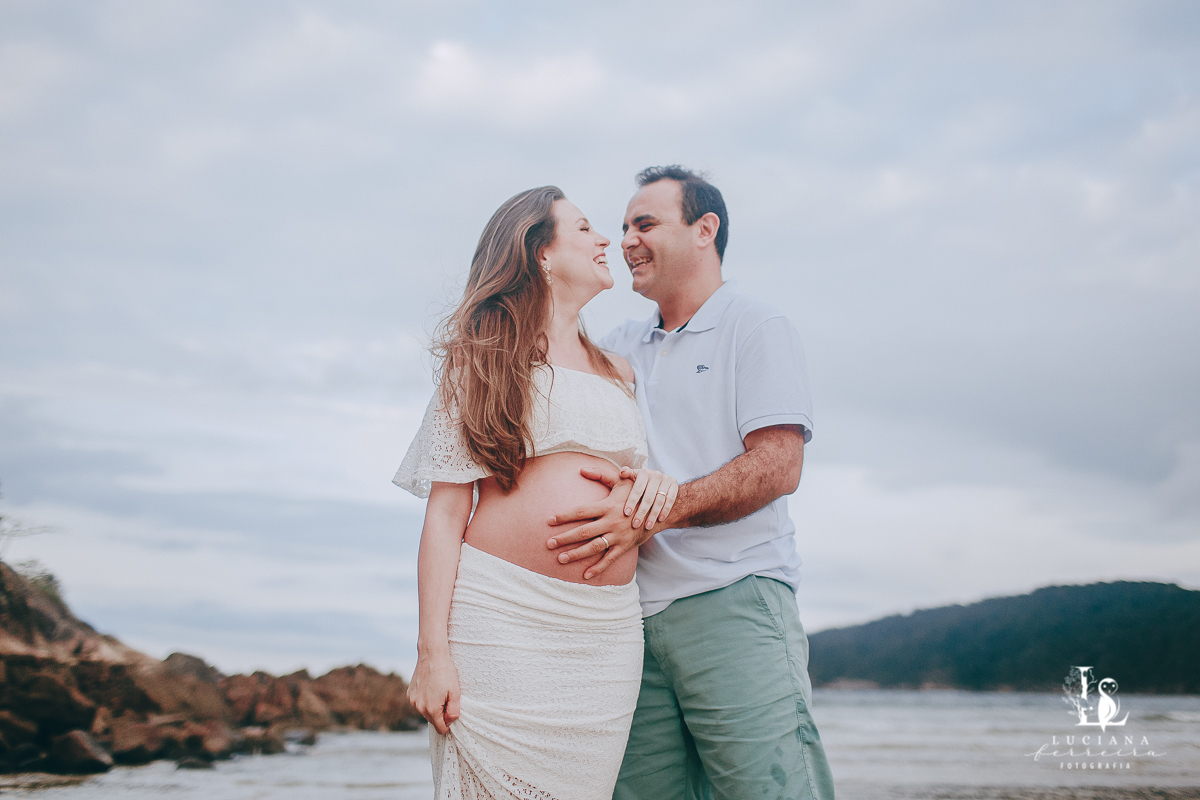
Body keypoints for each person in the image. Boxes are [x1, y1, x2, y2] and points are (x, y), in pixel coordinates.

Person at [546, 166, 837, 800]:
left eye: (645, 223)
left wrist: (661, 508)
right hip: (629, 625)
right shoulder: (619, 347)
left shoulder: (756, 327)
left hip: (733, 599)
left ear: (705, 229)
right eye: (622, 227)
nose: (626, 239)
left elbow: (778, 464)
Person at [393, 186, 680, 800]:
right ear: (540, 253)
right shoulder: (485, 357)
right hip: (501, 619)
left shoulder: (619, 372)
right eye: (584, 229)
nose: (607, 240)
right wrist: (432, 654)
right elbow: (446, 514)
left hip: (604, 637)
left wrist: (652, 487)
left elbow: (633, 479)